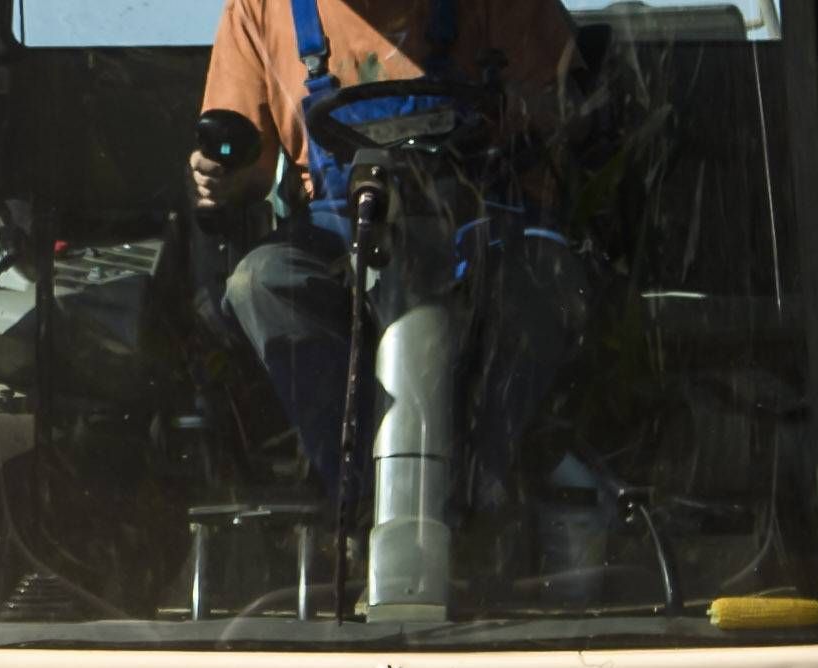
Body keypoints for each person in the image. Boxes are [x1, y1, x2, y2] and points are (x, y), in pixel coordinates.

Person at [192, 0, 587, 507]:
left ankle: (485, 490)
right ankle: (355, 497)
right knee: (261, 281)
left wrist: (508, 108)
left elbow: (568, 111)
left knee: (546, 281)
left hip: (476, 212)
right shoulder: (261, 8)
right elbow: (246, 160)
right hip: (340, 223)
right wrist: (216, 175)